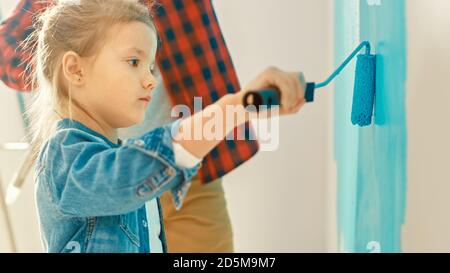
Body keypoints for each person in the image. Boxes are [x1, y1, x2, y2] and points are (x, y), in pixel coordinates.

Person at [0, 0, 305, 253]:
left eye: (150, 65)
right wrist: (236, 106)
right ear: (75, 69)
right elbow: (130, 171)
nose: (151, 79)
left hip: (185, 179)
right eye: (134, 62)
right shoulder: (65, 159)